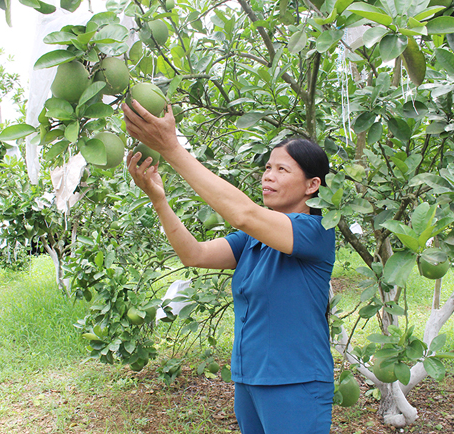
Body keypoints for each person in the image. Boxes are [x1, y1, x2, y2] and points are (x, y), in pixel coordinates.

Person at [122, 100, 336, 434]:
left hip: (296, 383)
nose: (268, 176)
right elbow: (195, 255)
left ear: (312, 186)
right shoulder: (252, 239)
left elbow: (244, 213)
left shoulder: (316, 231)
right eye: (267, 168)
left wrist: (172, 148)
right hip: (249, 381)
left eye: (282, 170)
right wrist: (159, 200)